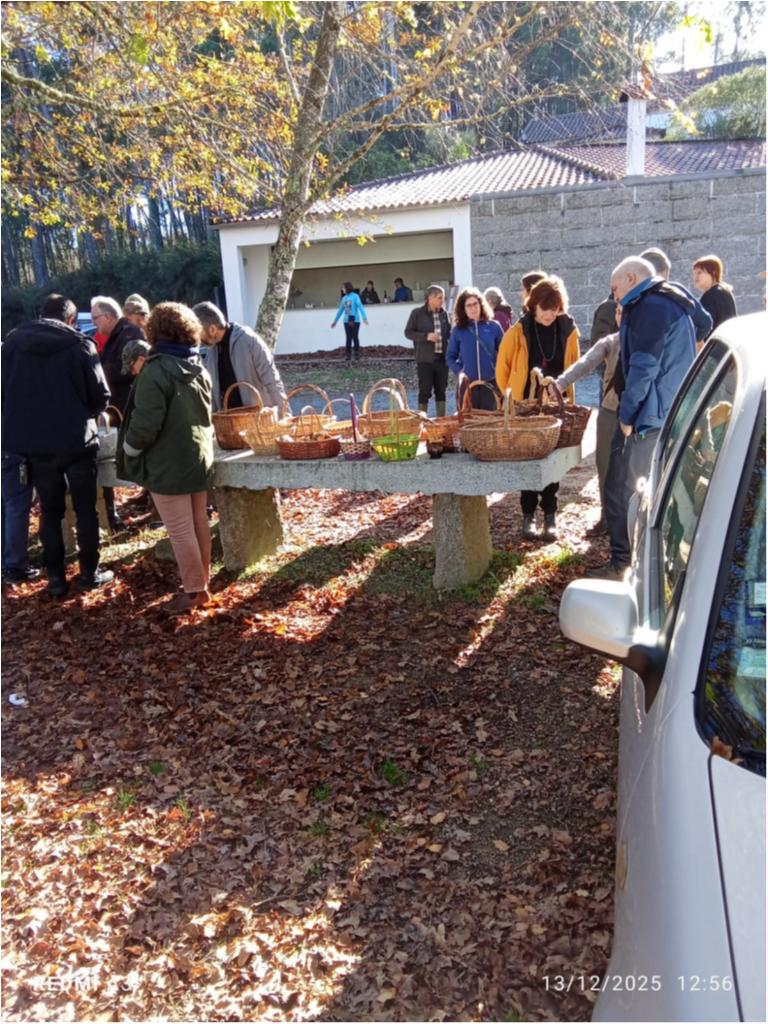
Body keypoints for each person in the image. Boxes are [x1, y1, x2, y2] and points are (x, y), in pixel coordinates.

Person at [2, 294, 112, 598]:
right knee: (85, 509)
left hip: (35, 443)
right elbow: (101, 396)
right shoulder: (80, 345)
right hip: (77, 440)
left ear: (41, 315)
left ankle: (55, 578)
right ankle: (89, 573)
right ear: (71, 319)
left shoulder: (12, 345)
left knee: (50, 512)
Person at [601, 255, 697, 578]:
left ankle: (628, 566)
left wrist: (627, 416)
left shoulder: (650, 308)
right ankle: (649, 561)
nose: (614, 296)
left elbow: (643, 368)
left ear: (631, 279)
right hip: (667, 411)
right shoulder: (671, 299)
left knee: (629, 491)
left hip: (648, 418)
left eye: (615, 288)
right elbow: (705, 322)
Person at [117, 302, 214, 614]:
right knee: (198, 523)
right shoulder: (199, 367)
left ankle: (194, 590)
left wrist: (129, 449)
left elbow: (145, 424)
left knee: (181, 528)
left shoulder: (155, 371)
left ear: (155, 331)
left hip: (167, 464)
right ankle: (202, 584)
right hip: (197, 457)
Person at [496, 276, 580, 541]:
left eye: (554, 309)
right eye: (545, 309)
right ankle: (528, 515)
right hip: (525, 405)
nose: (549, 315)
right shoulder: (519, 331)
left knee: (551, 462)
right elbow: (502, 369)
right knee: (529, 460)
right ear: (534, 305)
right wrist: (515, 399)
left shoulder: (567, 329)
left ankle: (551, 516)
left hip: (555, 404)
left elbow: (574, 365)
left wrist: (562, 396)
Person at [541, 304, 623, 537]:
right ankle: (607, 517)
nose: (621, 315)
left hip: (640, 415)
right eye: (618, 311)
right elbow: (585, 363)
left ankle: (631, 519)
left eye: (625, 311)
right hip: (610, 411)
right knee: (605, 465)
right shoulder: (611, 341)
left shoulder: (648, 340)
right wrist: (561, 383)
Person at [91, 296, 143, 530]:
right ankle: (110, 515)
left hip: (128, 407)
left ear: (108, 317)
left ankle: (156, 510)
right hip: (115, 409)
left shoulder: (130, 333)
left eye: (95, 318)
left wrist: (96, 372)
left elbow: (128, 369)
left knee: (138, 456)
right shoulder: (112, 337)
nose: (94, 323)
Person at [193, 301, 286, 411]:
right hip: (228, 419)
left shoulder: (248, 340)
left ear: (212, 329)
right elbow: (212, 392)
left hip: (258, 418)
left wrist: (285, 414)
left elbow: (272, 380)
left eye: (198, 332)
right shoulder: (209, 350)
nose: (197, 338)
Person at [641, 247, 712, 345]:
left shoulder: (637, 297)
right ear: (665, 271)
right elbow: (705, 322)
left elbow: (705, 322)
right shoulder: (677, 290)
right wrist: (692, 342)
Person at [447, 287, 503, 411]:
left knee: (490, 420)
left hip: (490, 384)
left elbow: (504, 353)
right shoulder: (458, 330)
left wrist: (498, 370)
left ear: (481, 304)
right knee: (467, 419)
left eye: (475, 304)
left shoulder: (494, 327)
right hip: (467, 386)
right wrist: (460, 371)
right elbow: (450, 356)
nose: (473, 308)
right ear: (463, 309)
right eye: (469, 305)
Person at [404, 284, 452, 415]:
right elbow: (408, 333)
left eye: (443, 298)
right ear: (430, 298)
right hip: (425, 360)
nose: (442, 301)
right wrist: (426, 336)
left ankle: (441, 421)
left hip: (442, 360)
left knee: (441, 391)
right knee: (424, 391)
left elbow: (448, 334)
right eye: (439, 298)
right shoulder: (417, 313)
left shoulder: (444, 314)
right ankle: (422, 420)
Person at [693, 254, 737, 334]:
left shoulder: (710, 296)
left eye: (699, 272)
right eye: (694, 273)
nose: (695, 277)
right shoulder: (726, 291)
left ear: (713, 273)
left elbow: (705, 327)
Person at [330, 282, 369, 362]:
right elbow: (340, 310)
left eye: (343, 288)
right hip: (346, 320)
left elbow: (360, 306)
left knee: (355, 337)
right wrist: (335, 321)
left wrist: (364, 318)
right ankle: (348, 355)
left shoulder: (355, 296)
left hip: (355, 320)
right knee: (348, 337)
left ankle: (357, 354)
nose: (342, 289)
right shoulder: (344, 298)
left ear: (347, 288)